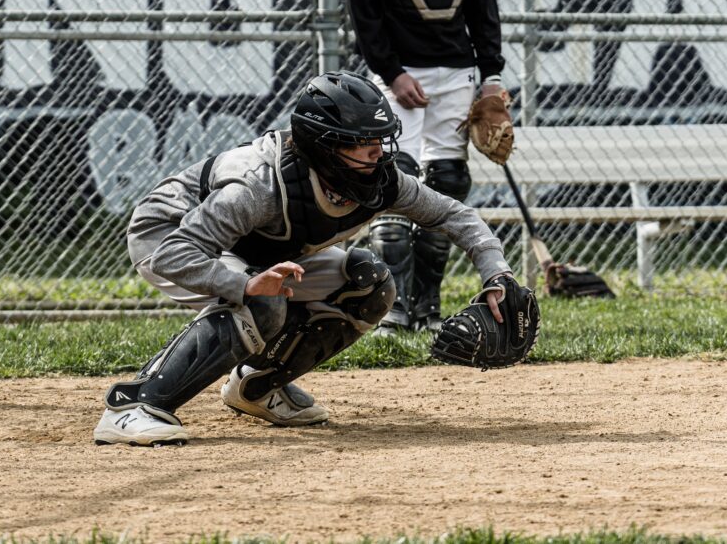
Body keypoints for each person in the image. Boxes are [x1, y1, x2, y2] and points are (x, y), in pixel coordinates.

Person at [93, 71, 515, 446]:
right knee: (261, 302)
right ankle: (135, 405)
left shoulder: (380, 180)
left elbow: (453, 214)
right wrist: (243, 285)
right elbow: (174, 253)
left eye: (379, 140)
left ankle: (257, 386)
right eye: (361, 142)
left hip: (252, 249)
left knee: (369, 283)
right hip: (170, 234)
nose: (378, 153)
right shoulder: (260, 186)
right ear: (325, 147)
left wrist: (497, 273)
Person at [345, 0, 507, 334]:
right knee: (396, 183)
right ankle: (391, 309)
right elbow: (362, 1)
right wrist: (390, 72)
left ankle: (427, 308)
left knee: (449, 184)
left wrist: (492, 74)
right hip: (401, 69)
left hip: (457, 65)